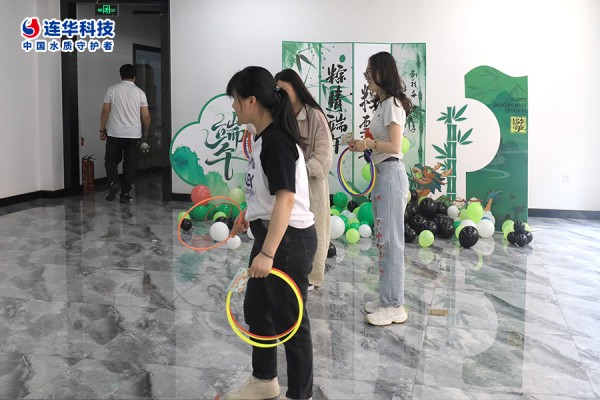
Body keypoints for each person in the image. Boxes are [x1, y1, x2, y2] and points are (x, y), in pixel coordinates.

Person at [224, 66, 317, 400]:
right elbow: (269, 193)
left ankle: (300, 395)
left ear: (251, 101)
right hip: (272, 234)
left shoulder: (277, 141)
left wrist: (267, 253)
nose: (233, 106)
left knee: (291, 322)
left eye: (235, 99)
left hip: (288, 240)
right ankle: (264, 381)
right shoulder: (264, 138)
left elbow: (287, 200)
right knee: (257, 309)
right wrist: (248, 213)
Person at [348, 51, 412, 326]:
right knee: (383, 240)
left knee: (391, 242)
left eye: (369, 72)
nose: (367, 78)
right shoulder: (384, 104)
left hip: (390, 175)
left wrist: (370, 144)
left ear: (382, 73)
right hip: (382, 175)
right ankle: (387, 298)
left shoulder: (393, 105)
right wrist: (362, 145)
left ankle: (394, 305)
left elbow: (395, 146)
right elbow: (380, 143)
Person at [275, 69, 333, 290]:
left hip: (311, 186)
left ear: (296, 88)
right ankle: (288, 273)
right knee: (286, 229)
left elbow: (324, 156)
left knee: (313, 231)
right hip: (287, 186)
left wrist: (298, 171)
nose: (280, 94)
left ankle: (311, 277)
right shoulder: (280, 116)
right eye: (277, 90)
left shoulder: (314, 116)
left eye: (284, 89)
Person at [99, 63, 151, 204]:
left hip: (115, 133)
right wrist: (145, 134)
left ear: (120, 75)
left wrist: (102, 129)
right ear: (135, 76)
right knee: (129, 164)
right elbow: (146, 116)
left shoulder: (112, 90)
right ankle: (125, 194)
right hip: (133, 135)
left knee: (111, 160)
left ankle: (113, 183)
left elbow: (105, 111)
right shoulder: (140, 93)